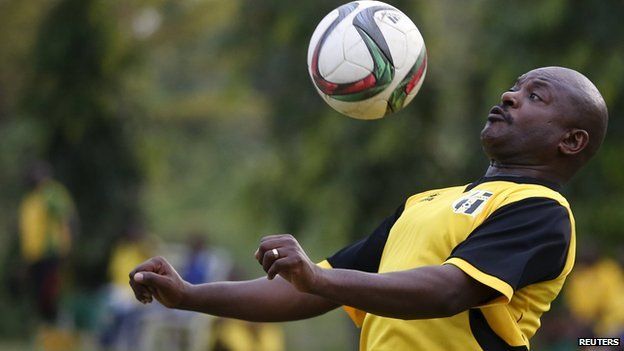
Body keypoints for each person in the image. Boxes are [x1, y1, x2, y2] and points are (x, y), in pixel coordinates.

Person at [129, 66, 608, 350]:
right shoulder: (425, 203)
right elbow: (309, 290)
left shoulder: (542, 210)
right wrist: (190, 296)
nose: (508, 96)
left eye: (534, 96)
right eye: (516, 87)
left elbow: (448, 291)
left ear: (571, 140)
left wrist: (319, 279)